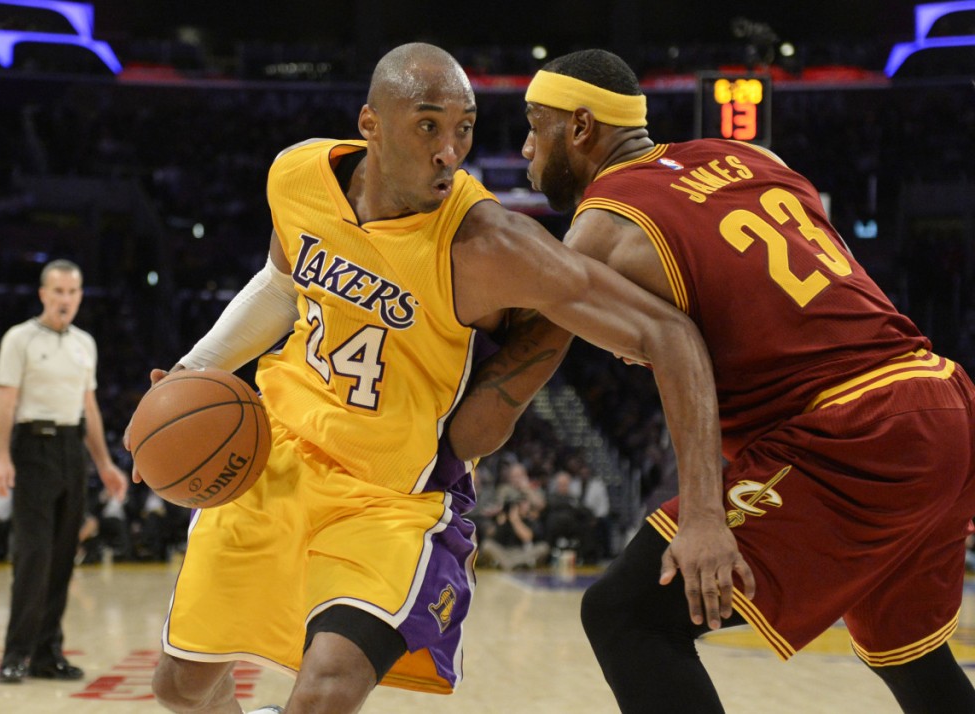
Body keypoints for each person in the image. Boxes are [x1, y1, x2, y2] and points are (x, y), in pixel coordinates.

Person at [127, 42, 722, 714]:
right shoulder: (298, 176)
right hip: (276, 456)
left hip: (390, 498)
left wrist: (506, 394)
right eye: (428, 126)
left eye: (464, 128)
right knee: (180, 687)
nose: (450, 151)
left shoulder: (488, 243)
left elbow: (668, 334)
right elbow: (281, 279)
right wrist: (191, 372)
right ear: (370, 125)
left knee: (326, 688)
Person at [514, 48, 975, 713]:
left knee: (627, 615)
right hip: (943, 397)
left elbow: (671, 352)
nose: (526, 145)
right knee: (915, 659)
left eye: (535, 123)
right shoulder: (758, 159)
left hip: (856, 430)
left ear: (580, 129)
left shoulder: (601, 230)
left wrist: (703, 515)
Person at [0, 259, 128, 684]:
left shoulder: (85, 343)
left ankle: (47, 655)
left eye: (73, 292)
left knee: (64, 559)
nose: (66, 299)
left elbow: (89, 408)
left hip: (72, 450)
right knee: (34, 557)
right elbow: (5, 403)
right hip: (33, 447)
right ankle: (16, 654)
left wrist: (104, 463)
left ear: (80, 296)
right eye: (58, 291)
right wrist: (1, 457)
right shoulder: (20, 339)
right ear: (43, 294)